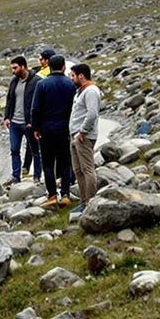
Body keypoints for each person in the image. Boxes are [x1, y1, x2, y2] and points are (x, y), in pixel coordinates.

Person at [29, 55, 78, 206]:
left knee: (48, 163)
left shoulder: (42, 84)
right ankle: (65, 194)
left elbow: (35, 108)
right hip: (64, 129)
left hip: (46, 129)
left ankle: (52, 195)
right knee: (64, 163)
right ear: (63, 67)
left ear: (49, 67)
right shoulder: (70, 85)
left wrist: (36, 127)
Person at [69, 63, 101, 211]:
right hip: (75, 135)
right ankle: (83, 201)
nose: (71, 79)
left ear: (81, 75)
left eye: (73, 76)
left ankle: (91, 202)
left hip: (84, 136)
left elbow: (92, 113)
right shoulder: (80, 91)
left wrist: (82, 131)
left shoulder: (91, 91)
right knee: (78, 170)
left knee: (87, 169)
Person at [3, 57, 39, 183]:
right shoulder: (14, 81)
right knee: (14, 149)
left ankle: (37, 176)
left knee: (35, 150)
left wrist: (35, 121)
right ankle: (16, 176)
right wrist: (7, 117)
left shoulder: (36, 81)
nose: (13, 71)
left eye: (15, 68)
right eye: (12, 68)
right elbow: (9, 100)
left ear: (23, 66)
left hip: (29, 123)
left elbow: (40, 103)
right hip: (14, 123)